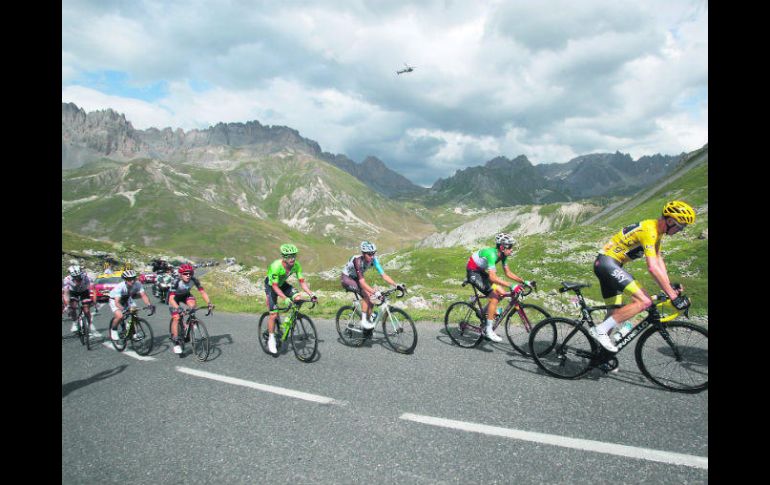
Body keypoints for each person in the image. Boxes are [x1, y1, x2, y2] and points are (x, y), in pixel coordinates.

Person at [591, 200, 695, 352]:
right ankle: (599, 330)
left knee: (614, 312)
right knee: (644, 301)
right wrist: (673, 297)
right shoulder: (650, 231)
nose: (681, 230)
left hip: (608, 265)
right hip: (607, 264)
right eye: (681, 226)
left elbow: (659, 261)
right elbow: (652, 268)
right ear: (671, 221)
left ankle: (600, 356)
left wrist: (670, 288)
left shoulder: (656, 232)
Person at [466, 233, 534, 342]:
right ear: (502, 248)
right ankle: (489, 331)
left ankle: (482, 313)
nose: (512, 250)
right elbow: (492, 278)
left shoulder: (503, 255)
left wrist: (523, 282)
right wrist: (512, 285)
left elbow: (508, 273)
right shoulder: (492, 255)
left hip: (481, 272)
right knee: (494, 297)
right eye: (510, 247)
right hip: (473, 273)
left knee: (501, 293)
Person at [264, 244, 317, 354]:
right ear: (283, 257)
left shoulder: (296, 265)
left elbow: (302, 282)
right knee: (273, 314)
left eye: (294, 256)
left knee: (298, 297)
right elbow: (274, 286)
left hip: (282, 284)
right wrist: (285, 298)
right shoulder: (276, 266)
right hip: (271, 286)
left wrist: (311, 295)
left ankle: (290, 320)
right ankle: (271, 338)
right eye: (289, 256)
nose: (292, 258)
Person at [340, 241, 405, 330]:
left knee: (371, 299)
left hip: (356, 279)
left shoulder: (374, 259)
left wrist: (396, 285)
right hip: (347, 279)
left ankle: (368, 322)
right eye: (369, 254)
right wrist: (374, 292)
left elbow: (384, 275)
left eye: (373, 253)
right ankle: (363, 321)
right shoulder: (357, 261)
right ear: (363, 254)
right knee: (367, 295)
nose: (372, 256)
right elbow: (362, 283)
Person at [168, 263, 213, 354]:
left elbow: (203, 292)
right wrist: (178, 308)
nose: (188, 275)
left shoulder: (194, 280)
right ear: (181, 274)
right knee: (176, 317)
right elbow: (171, 299)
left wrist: (209, 303)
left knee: (192, 307)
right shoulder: (176, 281)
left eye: (190, 273)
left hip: (186, 295)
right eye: (185, 273)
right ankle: (176, 342)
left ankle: (191, 322)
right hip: (174, 298)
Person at [108, 270, 155, 341]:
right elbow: (117, 303)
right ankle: (113, 330)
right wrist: (124, 309)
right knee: (120, 316)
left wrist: (149, 305)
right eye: (130, 279)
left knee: (134, 313)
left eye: (134, 278)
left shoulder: (138, 284)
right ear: (125, 280)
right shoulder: (120, 287)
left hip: (127, 298)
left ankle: (134, 332)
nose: (132, 281)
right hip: (115, 299)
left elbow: (143, 295)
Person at [62, 265, 96, 333]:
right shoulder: (67, 280)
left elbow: (93, 290)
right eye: (75, 277)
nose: (77, 278)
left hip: (84, 292)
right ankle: (75, 322)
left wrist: (94, 301)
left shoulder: (86, 277)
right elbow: (66, 293)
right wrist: (67, 305)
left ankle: (89, 324)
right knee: (72, 307)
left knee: (86, 309)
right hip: (73, 292)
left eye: (79, 276)